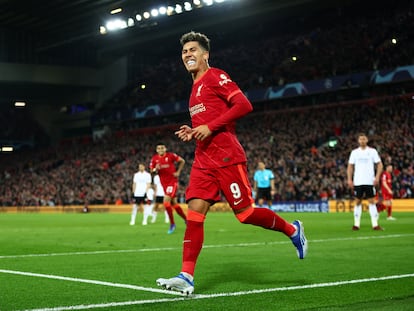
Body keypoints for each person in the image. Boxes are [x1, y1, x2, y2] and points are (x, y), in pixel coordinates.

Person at [156, 31, 307, 295]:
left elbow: (244, 105)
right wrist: (193, 132)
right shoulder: (193, 89)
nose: (188, 54)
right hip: (203, 161)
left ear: (205, 55)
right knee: (194, 215)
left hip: (227, 157)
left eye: (193, 50)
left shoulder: (215, 76)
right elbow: (206, 124)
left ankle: (293, 230)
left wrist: (210, 127)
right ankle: (187, 276)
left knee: (246, 214)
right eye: (184, 52)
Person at [347, 133, 384, 231]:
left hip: (369, 181)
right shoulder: (354, 152)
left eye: (364, 139)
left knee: (371, 201)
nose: (362, 141)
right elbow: (350, 167)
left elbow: (380, 165)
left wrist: (377, 177)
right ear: (358, 141)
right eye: (360, 139)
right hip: (358, 181)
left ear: (367, 140)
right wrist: (349, 179)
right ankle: (356, 224)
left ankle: (375, 224)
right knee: (358, 201)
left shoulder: (372, 151)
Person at [150, 143, 187, 234]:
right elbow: (151, 171)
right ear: (156, 150)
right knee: (174, 203)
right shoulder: (154, 159)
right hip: (164, 184)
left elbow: (182, 161)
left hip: (172, 182)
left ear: (165, 148)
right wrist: (156, 169)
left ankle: (172, 224)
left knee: (166, 202)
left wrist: (178, 172)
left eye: (162, 147)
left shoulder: (171, 156)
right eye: (158, 148)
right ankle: (187, 220)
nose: (161, 149)